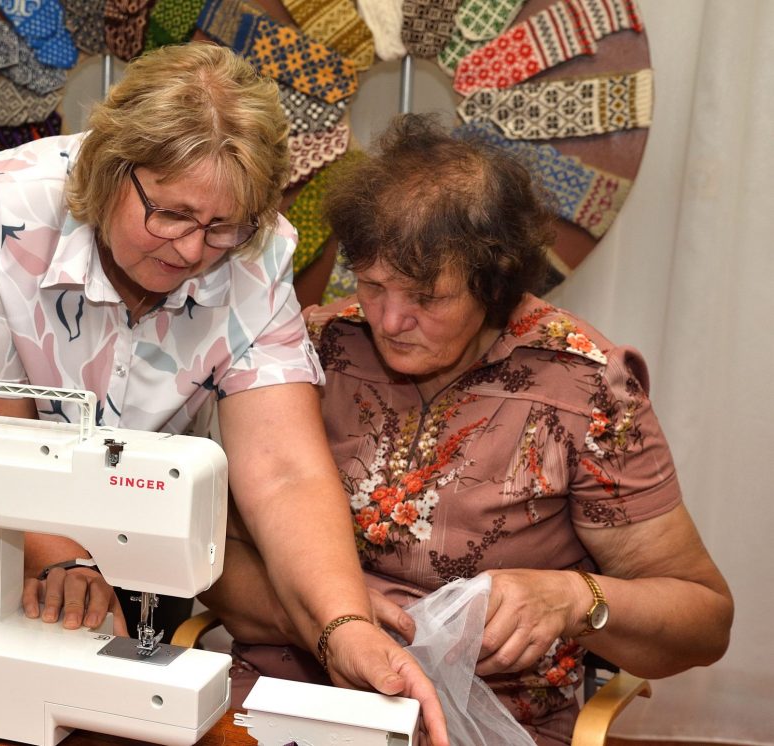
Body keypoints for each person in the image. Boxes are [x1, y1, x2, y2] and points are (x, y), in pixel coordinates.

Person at [0, 43, 449, 745]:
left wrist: (343, 625)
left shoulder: (257, 252)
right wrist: (62, 556)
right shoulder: (4, 209)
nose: (193, 252)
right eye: (171, 215)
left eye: (222, 226)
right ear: (112, 171)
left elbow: (284, 469)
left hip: (136, 530)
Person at [208, 114, 734, 745]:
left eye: (427, 298)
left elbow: (704, 621)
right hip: (287, 698)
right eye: (373, 285)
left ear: (494, 284)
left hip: (481, 723)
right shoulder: (314, 352)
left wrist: (576, 598)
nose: (390, 320)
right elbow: (215, 561)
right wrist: (331, 620)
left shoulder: (583, 388)